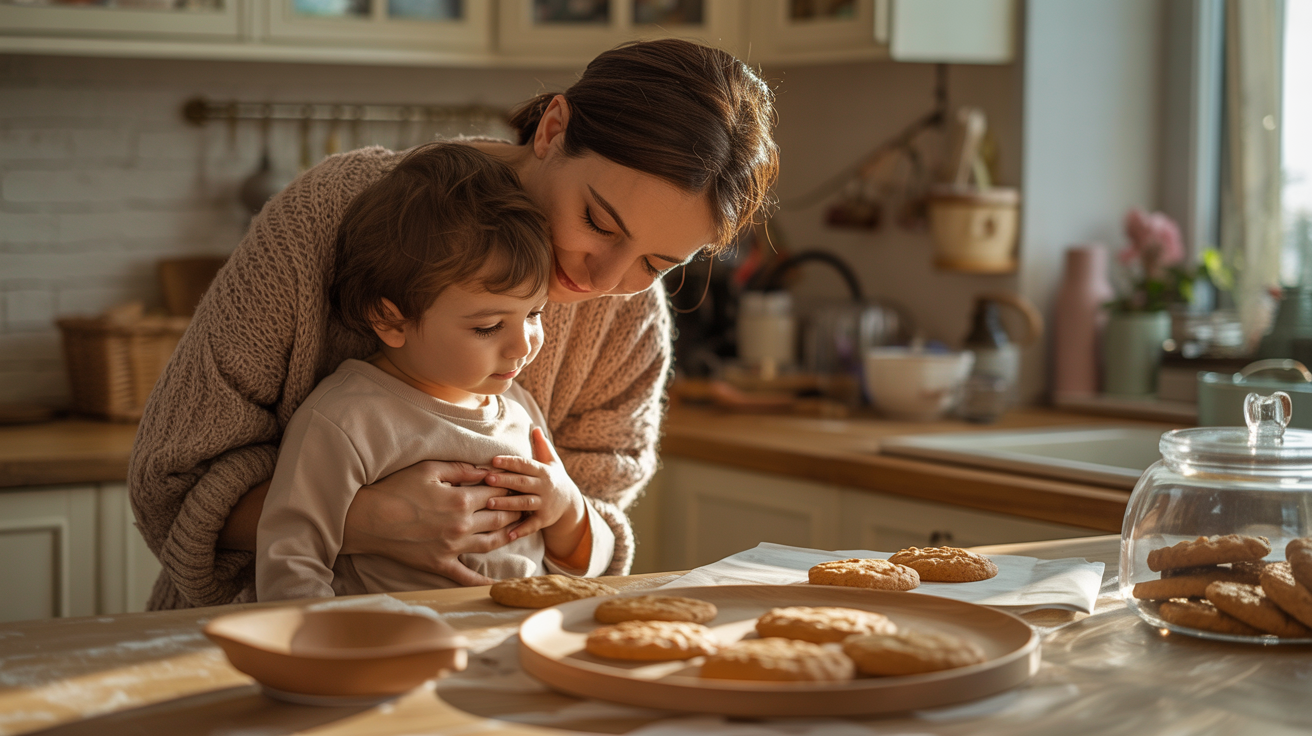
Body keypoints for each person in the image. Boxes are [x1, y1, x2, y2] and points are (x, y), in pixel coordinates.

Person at [128, 38, 779, 609]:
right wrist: (363, 519)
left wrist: (561, 514)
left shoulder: (629, 319)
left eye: (657, 262)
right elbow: (172, 486)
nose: (605, 280)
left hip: (493, 665)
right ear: (552, 130)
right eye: (599, 223)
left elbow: (590, 547)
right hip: (250, 649)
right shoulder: (333, 212)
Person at [257, 143, 615, 602]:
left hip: (514, 650)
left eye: (534, 314)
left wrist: (565, 509)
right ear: (390, 320)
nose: (524, 345)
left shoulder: (520, 410)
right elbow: (289, 565)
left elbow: (596, 564)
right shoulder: (345, 419)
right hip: (396, 654)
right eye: (488, 326)